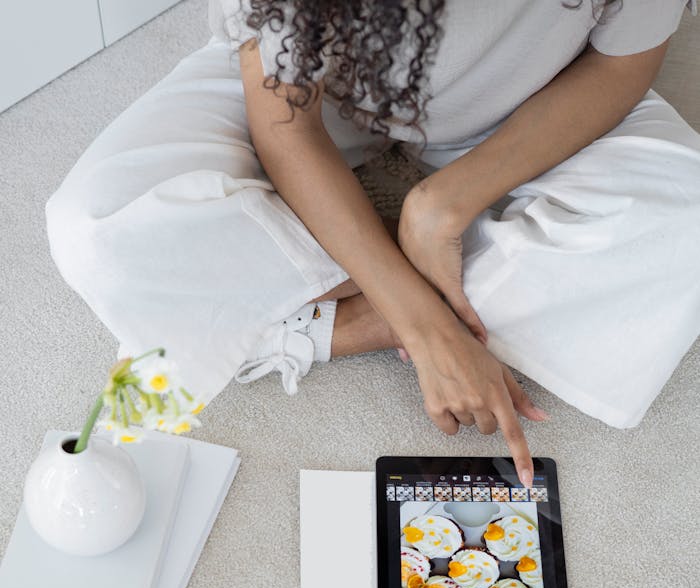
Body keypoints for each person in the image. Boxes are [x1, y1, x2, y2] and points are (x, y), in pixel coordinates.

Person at [46, 0, 700, 488]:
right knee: (95, 225)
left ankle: (320, 296)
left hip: (531, 103)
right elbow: (287, 127)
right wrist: (420, 324)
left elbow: (621, 67)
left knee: (685, 224)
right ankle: (373, 316)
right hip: (325, 93)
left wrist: (441, 207)